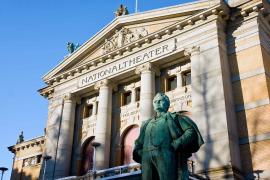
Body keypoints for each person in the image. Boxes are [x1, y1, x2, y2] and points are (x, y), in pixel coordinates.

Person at [133, 93, 204, 180]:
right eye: (155, 101)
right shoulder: (146, 124)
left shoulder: (175, 118)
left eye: (160, 101)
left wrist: (177, 143)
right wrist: (138, 151)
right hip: (147, 159)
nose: (157, 103)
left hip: (166, 155)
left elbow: (191, 131)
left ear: (167, 104)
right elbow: (139, 142)